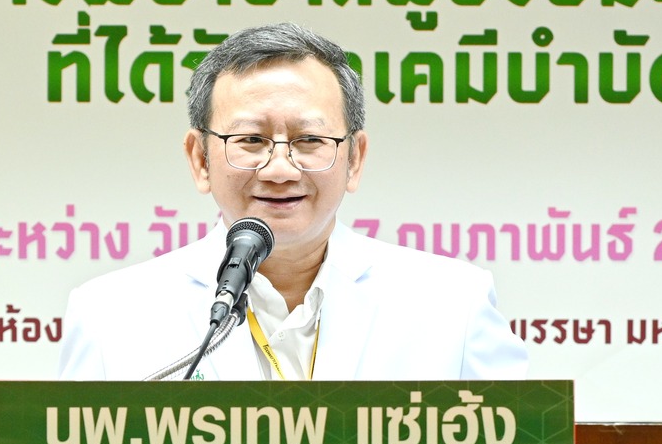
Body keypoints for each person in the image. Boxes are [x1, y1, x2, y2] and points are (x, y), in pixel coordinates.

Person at [58, 23, 527, 380]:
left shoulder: (453, 304)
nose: (280, 169)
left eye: (309, 140)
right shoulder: (110, 315)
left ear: (354, 158)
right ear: (200, 159)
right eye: (250, 139)